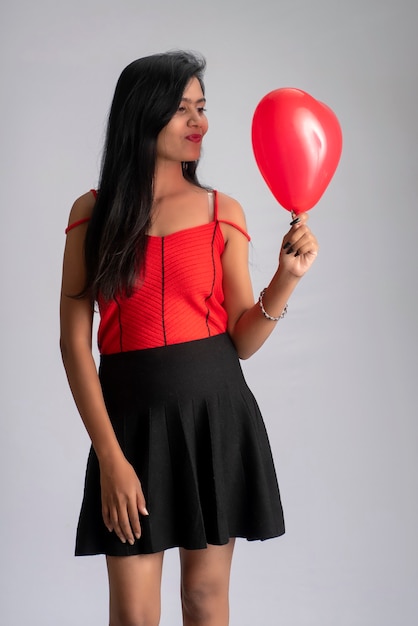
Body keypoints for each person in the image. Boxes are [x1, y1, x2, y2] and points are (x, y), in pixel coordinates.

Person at [60, 50, 318, 626]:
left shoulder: (222, 210)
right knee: (133, 614)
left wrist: (287, 278)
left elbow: (242, 340)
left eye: (202, 109)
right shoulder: (92, 214)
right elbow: (76, 346)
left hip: (215, 419)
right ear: (142, 114)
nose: (198, 122)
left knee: (204, 601)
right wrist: (110, 457)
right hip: (129, 428)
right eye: (182, 110)